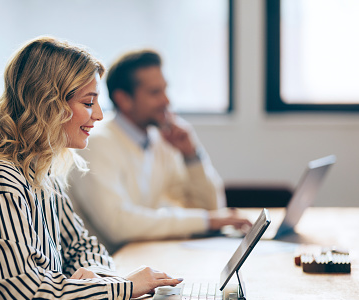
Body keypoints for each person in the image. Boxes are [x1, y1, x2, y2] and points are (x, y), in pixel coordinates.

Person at [0, 38, 182, 300]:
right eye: (88, 103)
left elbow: (82, 246)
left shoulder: (41, 172)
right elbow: (26, 299)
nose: (98, 115)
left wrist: (93, 274)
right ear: (49, 105)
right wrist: (123, 286)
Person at [70, 49, 251, 252]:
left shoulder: (161, 139)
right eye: (155, 92)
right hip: (109, 271)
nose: (167, 101)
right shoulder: (94, 143)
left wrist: (192, 155)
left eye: (165, 90)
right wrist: (207, 220)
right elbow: (119, 224)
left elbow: (211, 209)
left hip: (146, 257)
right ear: (123, 99)